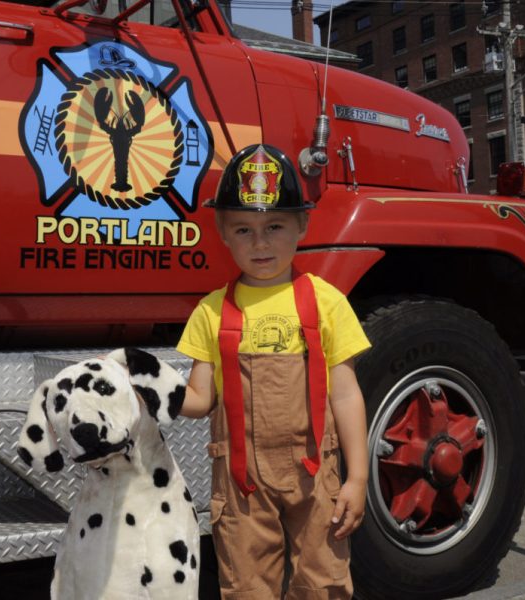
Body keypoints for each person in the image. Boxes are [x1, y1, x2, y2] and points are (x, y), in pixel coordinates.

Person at [176, 144, 370, 599]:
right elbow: (199, 398)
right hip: (241, 485)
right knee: (245, 586)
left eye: (274, 226)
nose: (259, 242)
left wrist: (358, 478)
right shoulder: (210, 312)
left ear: (302, 225)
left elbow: (345, 395)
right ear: (223, 231)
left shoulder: (326, 302)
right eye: (243, 228)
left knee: (323, 582)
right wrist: (148, 390)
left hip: (315, 476)